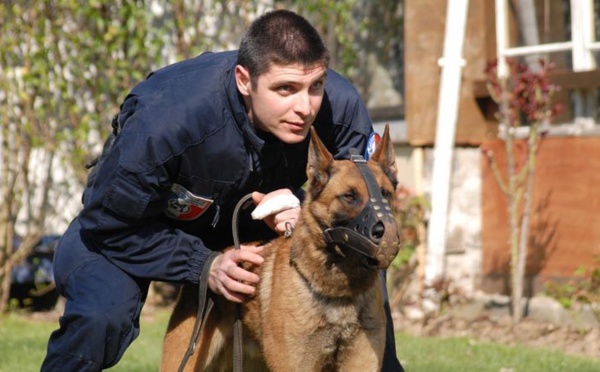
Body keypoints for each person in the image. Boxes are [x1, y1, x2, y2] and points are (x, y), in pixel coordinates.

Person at [42, 9, 404, 372]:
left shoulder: (339, 106)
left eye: (316, 87)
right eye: (284, 90)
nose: (305, 107)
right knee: (99, 318)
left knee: (380, 360)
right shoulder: (165, 122)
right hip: (133, 229)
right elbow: (107, 223)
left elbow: (356, 198)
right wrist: (203, 263)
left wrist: (302, 207)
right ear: (244, 81)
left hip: (252, 227)